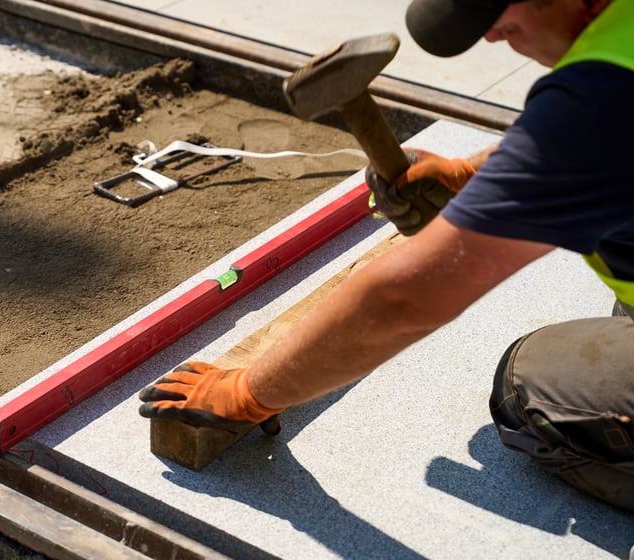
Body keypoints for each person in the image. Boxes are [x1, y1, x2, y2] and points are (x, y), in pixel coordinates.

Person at [139, 0, 634, 510]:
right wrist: (474, 174)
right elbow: (585, 145)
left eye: (503, 18)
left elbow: (406, 300)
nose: (491, 38)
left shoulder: (597, 102)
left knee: (529, 385)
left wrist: (250, 391)